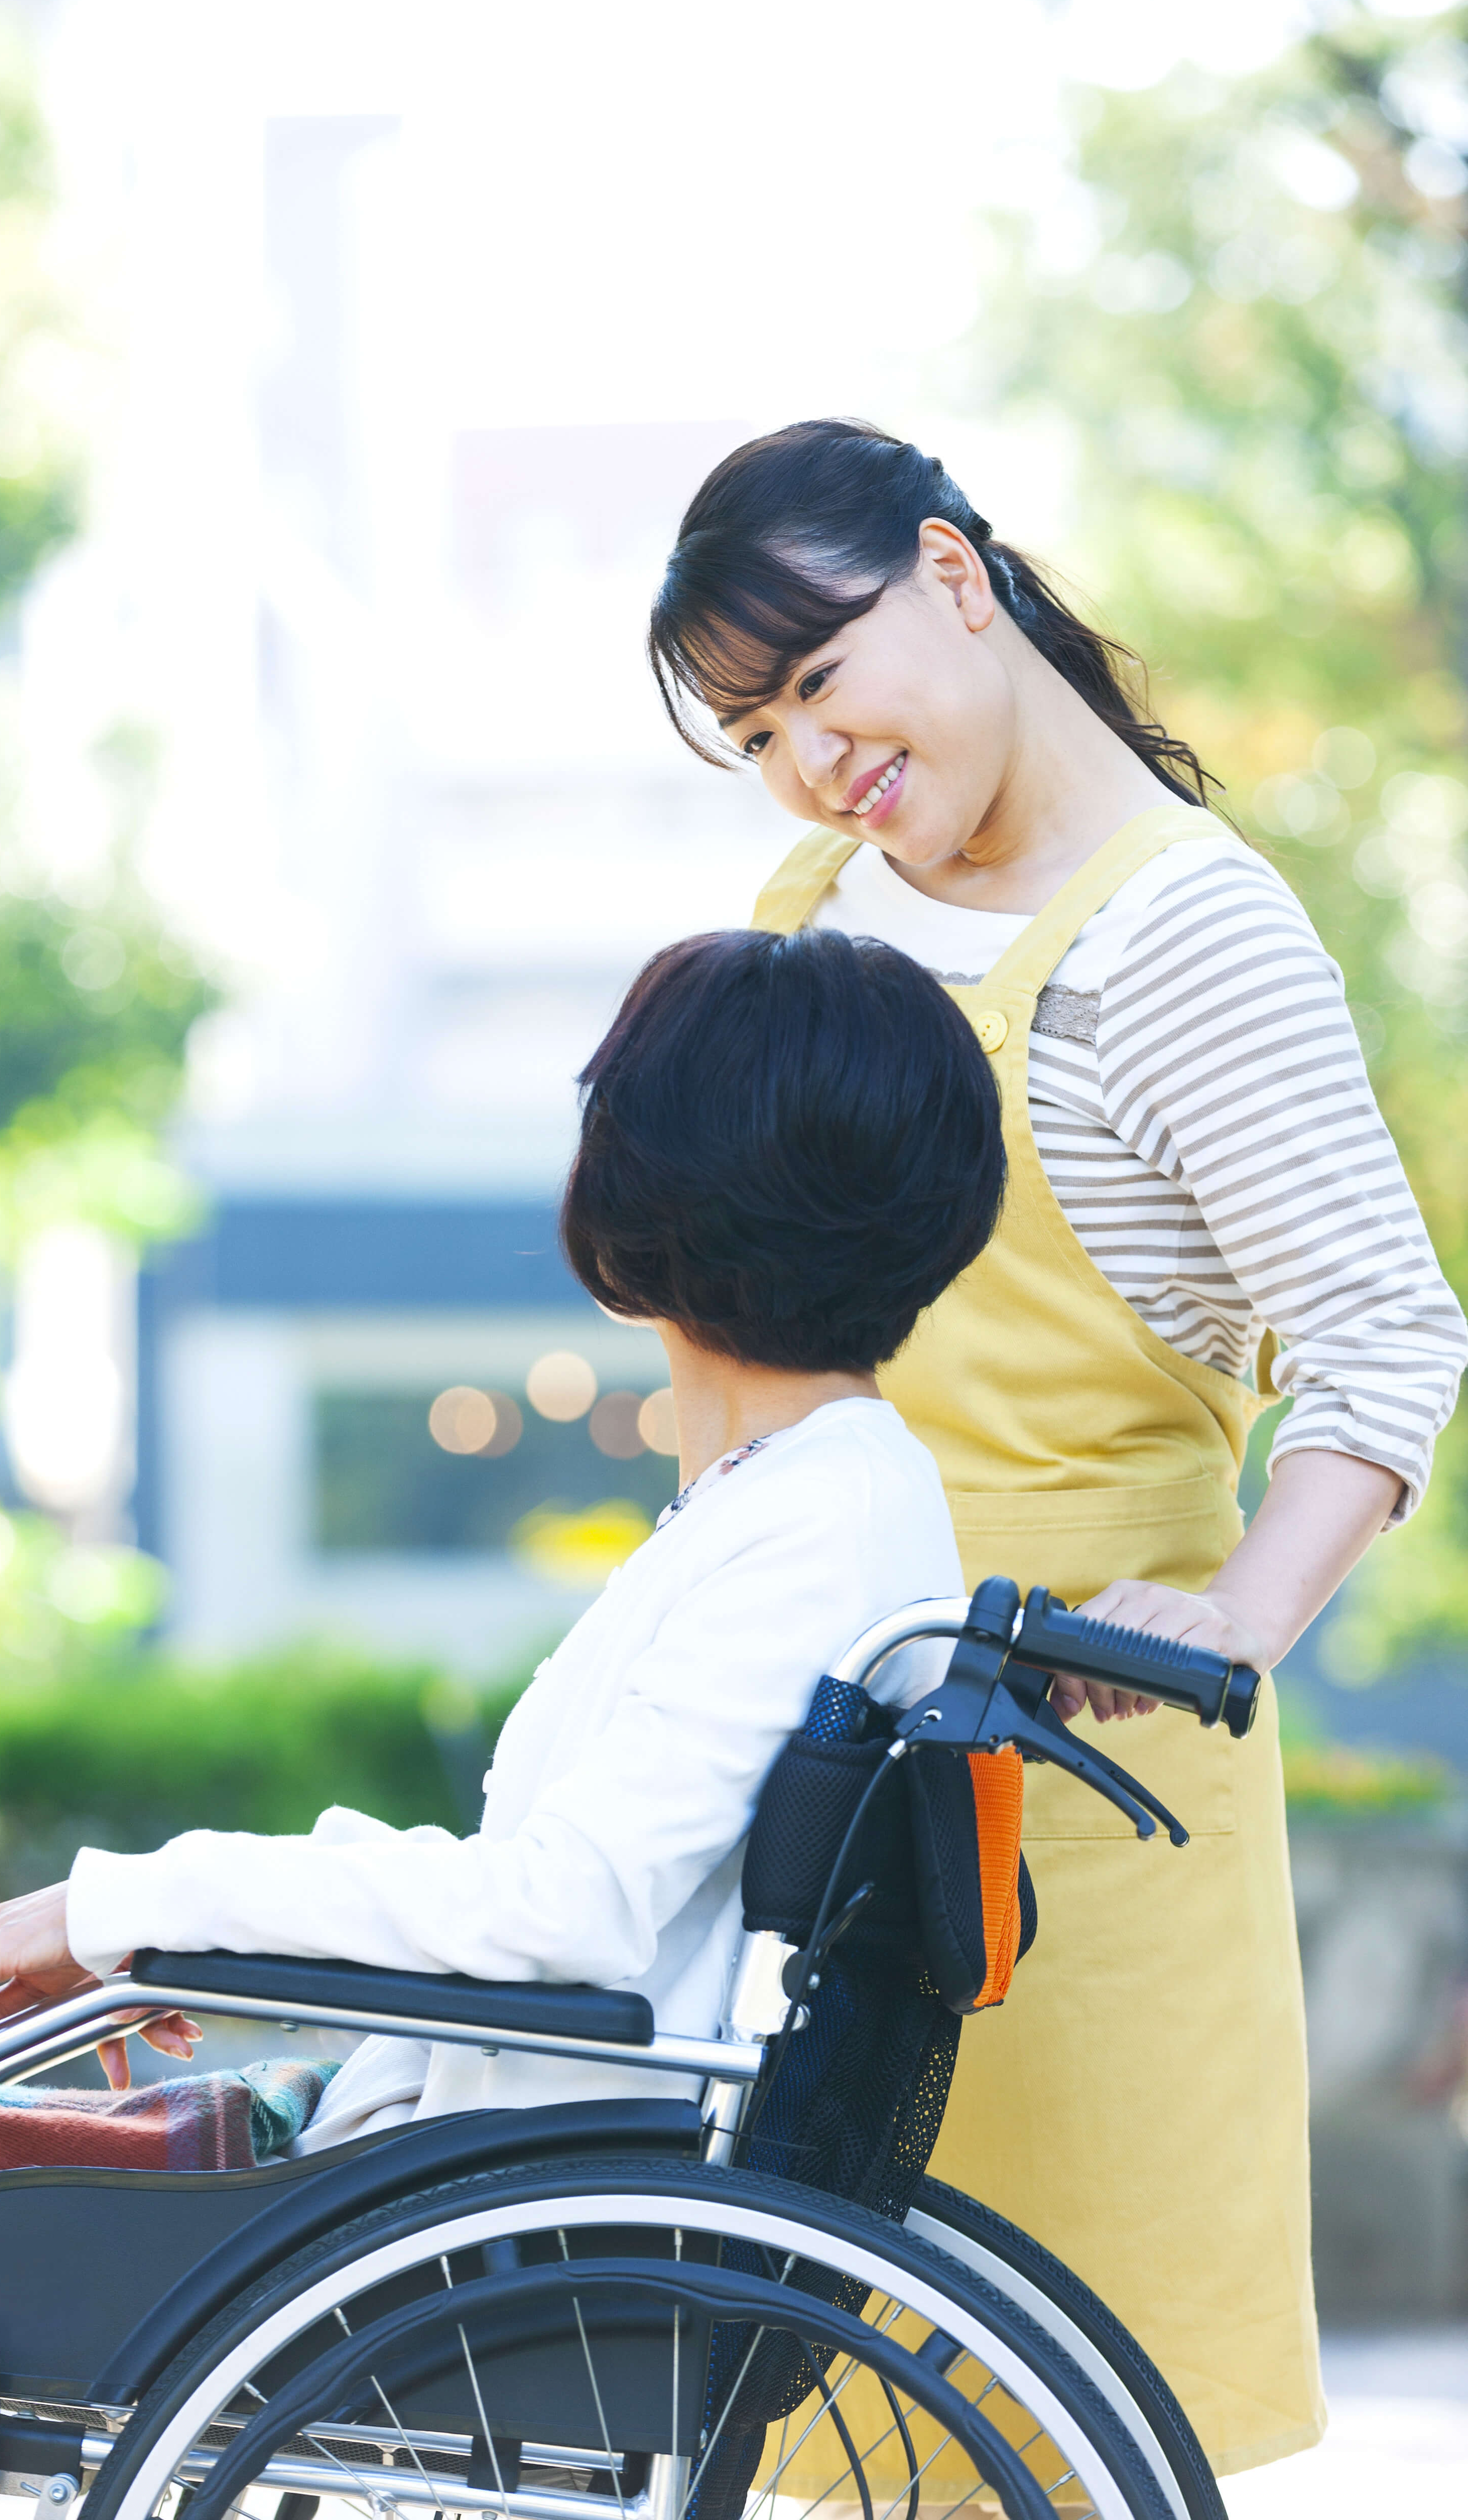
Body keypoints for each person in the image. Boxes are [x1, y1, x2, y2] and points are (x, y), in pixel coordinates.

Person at [646, 418, 1468, 2477]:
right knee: (830, 2432)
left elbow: (1383, 1340)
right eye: (755, 731)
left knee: (1060, 2438)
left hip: (1083, 1786)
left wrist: (1232, 1617)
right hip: (840, 1778)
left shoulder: (1187, 935)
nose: (809, 762)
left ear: (952, 571)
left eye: (819, 680)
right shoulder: (819, 902)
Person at [0, 927, 997, 2204]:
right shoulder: (809, 1496)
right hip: (469, 2157)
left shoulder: (815, 1516)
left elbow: (563, 1911)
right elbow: (546, 1898)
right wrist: (169, 1926)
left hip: (484, 2199)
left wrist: (127, 1905)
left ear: (651, 1179)